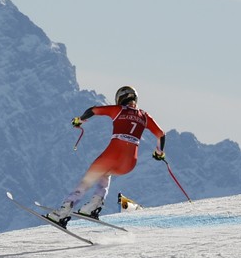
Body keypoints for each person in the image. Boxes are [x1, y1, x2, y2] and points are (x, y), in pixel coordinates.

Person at [49, 85, 166, 225]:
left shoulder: (118, 110)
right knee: (106, 173)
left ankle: (62, 212)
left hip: (113, 154)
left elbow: (92, 110)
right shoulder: (145, 116)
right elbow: (161, 134)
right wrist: (159, 152)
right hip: (129, 164)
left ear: (120, 98)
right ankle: (93, 206)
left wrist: (79, 120)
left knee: (88, 179)